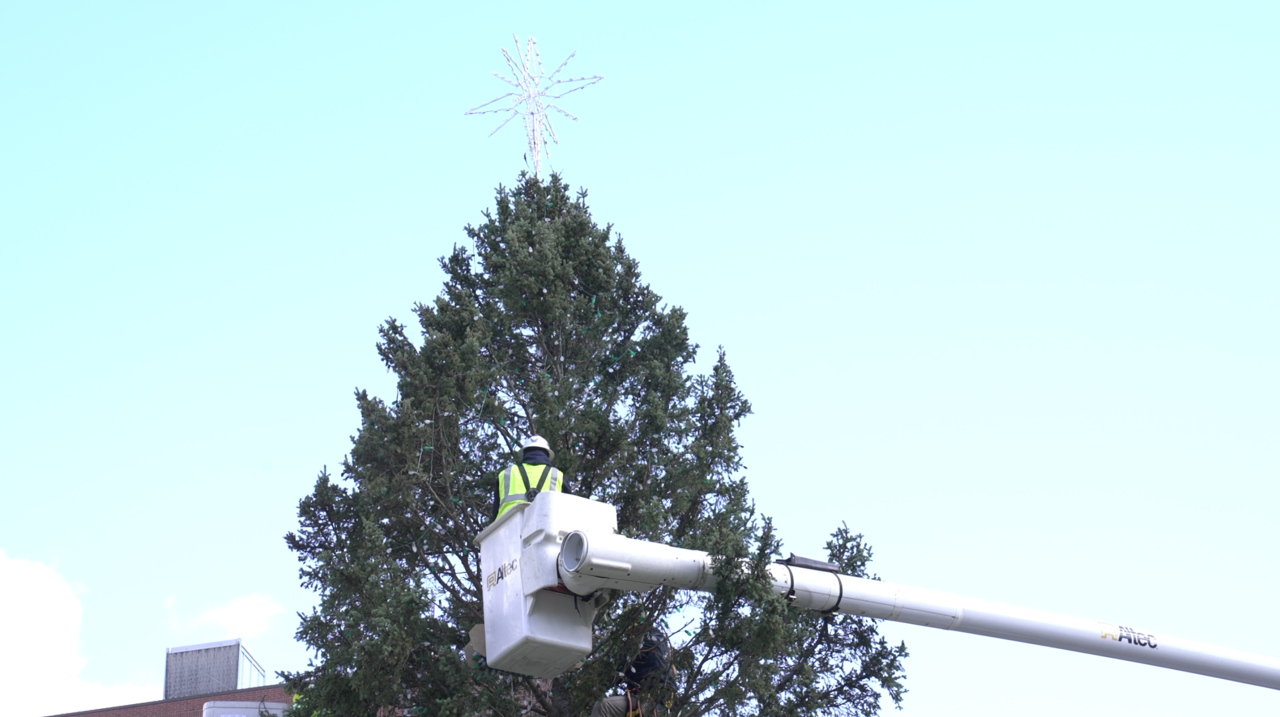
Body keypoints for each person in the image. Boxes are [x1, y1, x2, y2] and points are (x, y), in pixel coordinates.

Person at [591, 626, 675, 717]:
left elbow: (619, 667)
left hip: (651, 700)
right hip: (666, 704)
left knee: (603, 706)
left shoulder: (645, 641)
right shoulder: (661, 643)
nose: (628, 636)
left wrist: (594, 685)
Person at [493, 435, 565, 520]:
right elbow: (569, 510)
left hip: (508, 528)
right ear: (547, 455)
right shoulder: (558, 475)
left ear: (524, 454)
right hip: (546, 526)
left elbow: (495, 511)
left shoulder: (505, 474)